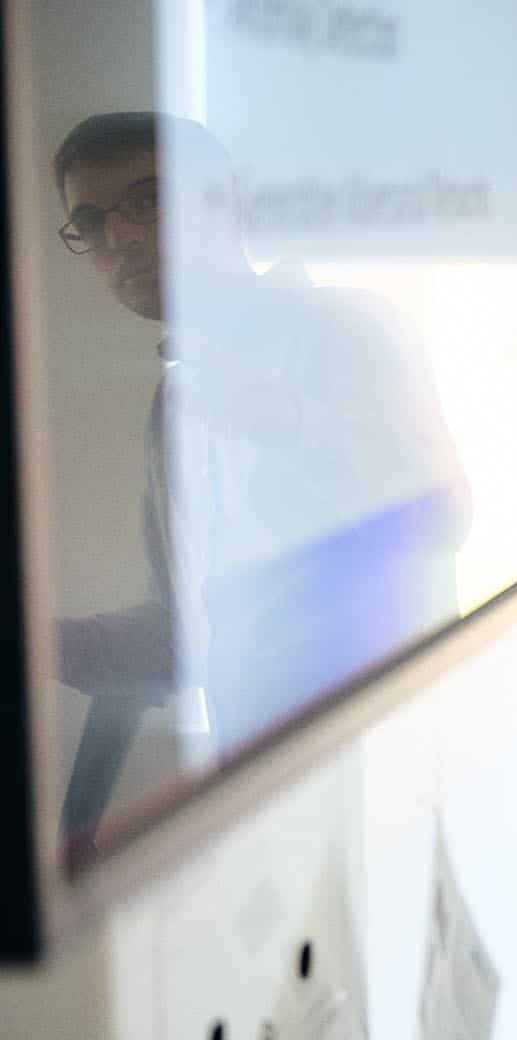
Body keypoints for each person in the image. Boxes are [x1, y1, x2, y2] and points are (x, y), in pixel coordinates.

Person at [51, 111, 470, 832]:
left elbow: (440, 514)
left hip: (389, 785)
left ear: (231, 201)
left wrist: (286, 421)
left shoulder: (344, 327)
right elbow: (186, 634)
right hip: (261, 806)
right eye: (90, 222)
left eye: (149, 199)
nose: (119, 238)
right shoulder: (172, 402)